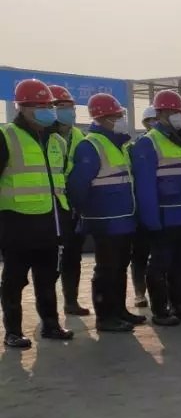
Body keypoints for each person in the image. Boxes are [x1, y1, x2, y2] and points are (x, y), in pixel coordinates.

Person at [0, 80, 75, 347]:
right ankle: (13, 331)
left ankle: (51, 325)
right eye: (39, 106)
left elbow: (60, 182)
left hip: (50, 224)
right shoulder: (6, 136)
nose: (46, 111)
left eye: (48, 105)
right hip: (18, 225)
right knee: (14, 281)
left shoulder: (57, 141)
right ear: (22, 108)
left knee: (47, 279)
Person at [130, 90, 181, 325]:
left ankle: (180, 305)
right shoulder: (148, 142)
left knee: (180, 264)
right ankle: (160, 311)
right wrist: (151, 219)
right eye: (171, 112)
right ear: (159, 114)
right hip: (166, 216)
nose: (177, 116)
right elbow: (145, 186)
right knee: (159, 265)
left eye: (179, 112)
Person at [66, 93, 143, 333]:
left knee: (120, 266)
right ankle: (105, 317)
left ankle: (119, 310)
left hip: (124, 216)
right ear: (102, 118)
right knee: (106, 269)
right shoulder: (91, 145)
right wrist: (84, 211)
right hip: (104, 219)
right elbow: (78, 185)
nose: (120, 119)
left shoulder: (119, 143)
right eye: (116, 115)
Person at [49, 85, 90, 316]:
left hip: (73, 204)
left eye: (70, 107)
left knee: (73, 256)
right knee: (49, 260)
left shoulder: (79, 135)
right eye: (62, 107)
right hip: (50, 206)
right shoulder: (44, 135)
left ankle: (71, 301)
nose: (69, 111)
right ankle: (48, 309)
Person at [130, 105, 159, 309]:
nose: (154, 123)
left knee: (161, 254)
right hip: (141, 207)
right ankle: (140, 292)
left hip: (162, 206)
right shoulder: (137, 146)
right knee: (139, 254)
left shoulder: (168, 144)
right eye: (150, 120)